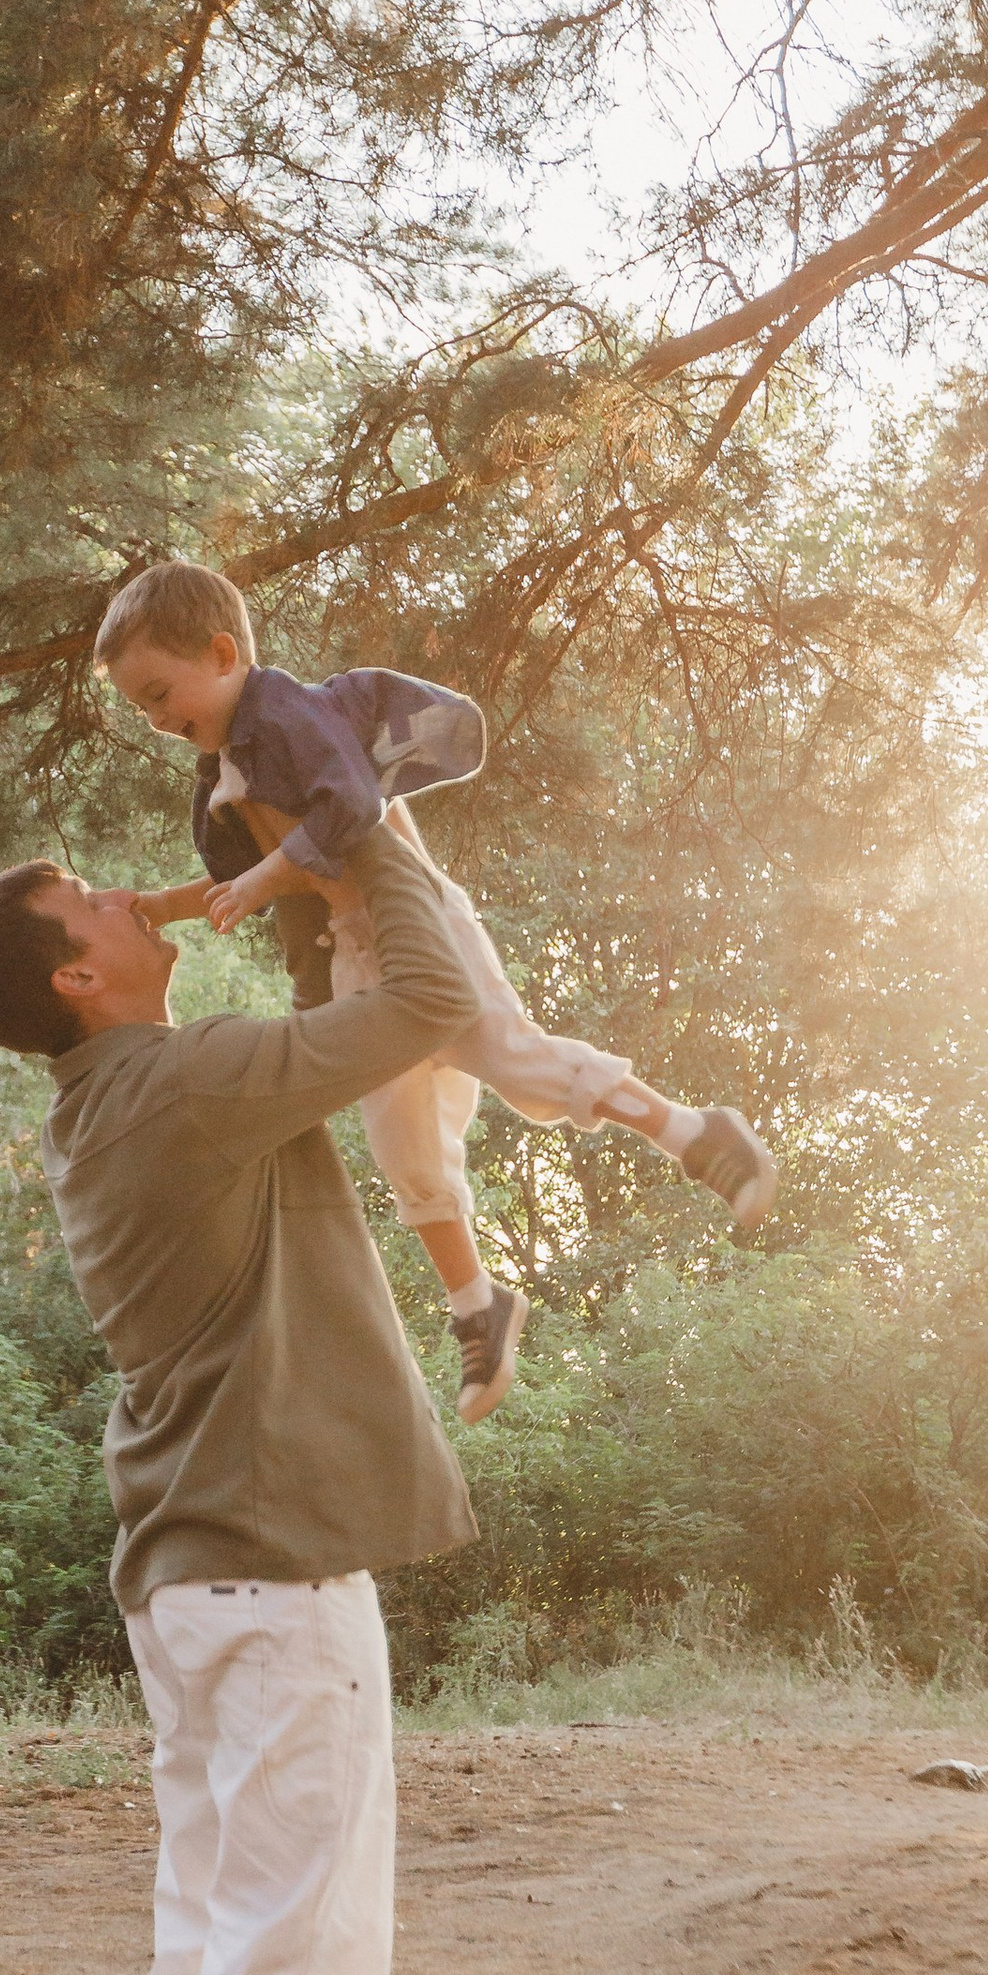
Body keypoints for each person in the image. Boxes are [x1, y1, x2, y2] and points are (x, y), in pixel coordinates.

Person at [0, 825, 484, 1975]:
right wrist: (361, 829)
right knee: (284, 1945)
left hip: (195, 1576)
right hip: (273, 1568)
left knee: (209, 1933)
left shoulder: (112, 1101)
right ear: (76, 976)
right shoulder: (188, 1084)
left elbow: (342, 1015)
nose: (126, 892)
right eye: (92, 901)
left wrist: (295, 886)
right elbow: (430, 1000)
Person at [96, 558, 775, 1427]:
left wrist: (264, 877)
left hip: (416, 918)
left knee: (509, 1057)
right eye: (141, 709)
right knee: (400, 1137)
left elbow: (350, 809)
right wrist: (167, 905)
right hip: (352, 948)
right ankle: (477, 1306)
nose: (156, 720)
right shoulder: (224, 769)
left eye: (160, 694)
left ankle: (696, 1133)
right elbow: (254, 881)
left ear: (224, 654)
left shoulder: (292, 716)